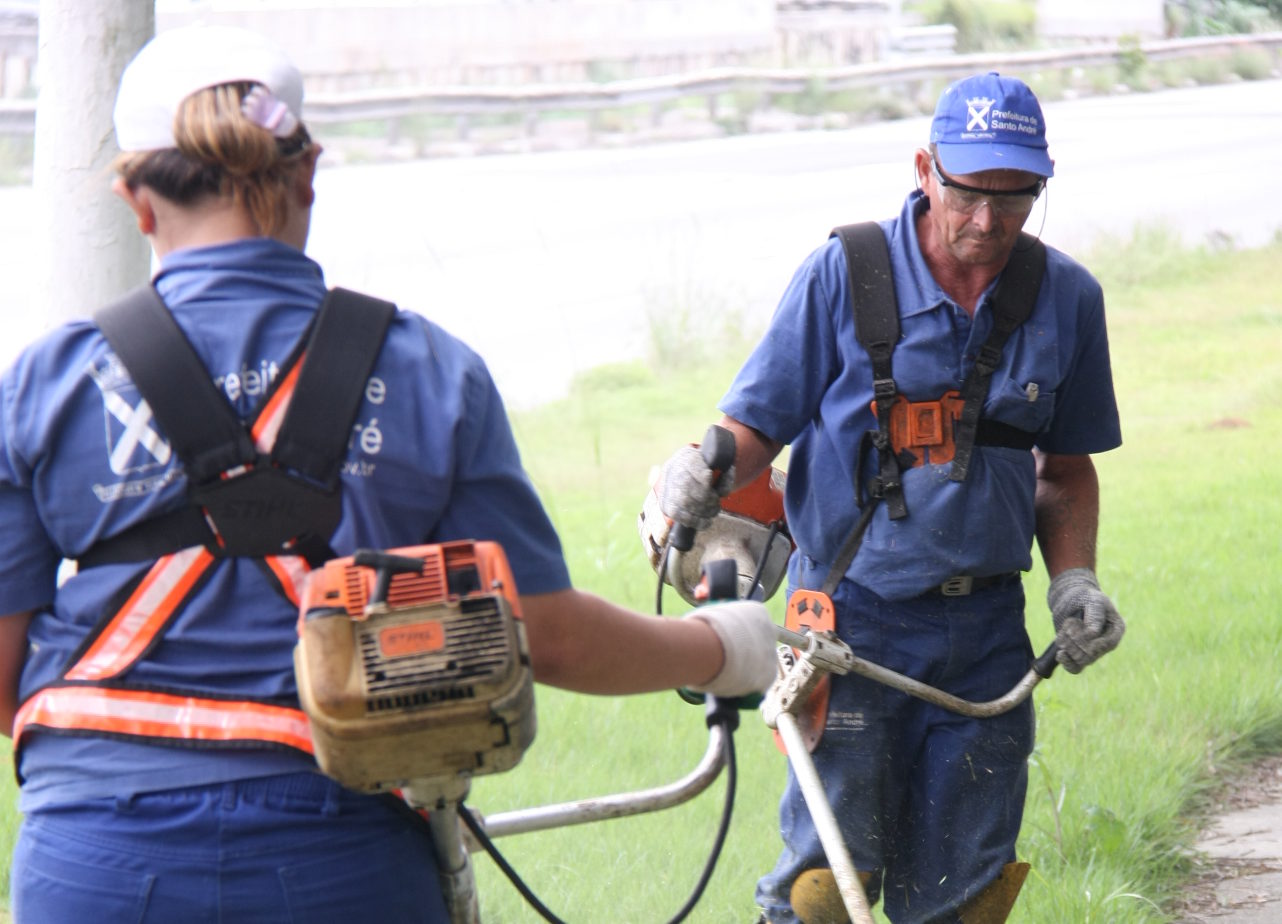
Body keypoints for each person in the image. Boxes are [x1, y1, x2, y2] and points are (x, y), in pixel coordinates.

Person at [0, 25, 778, 924]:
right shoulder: (427, 373)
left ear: (135, 201)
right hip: (341, 860)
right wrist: (725, 646)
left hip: (94, 857)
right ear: (308, 175)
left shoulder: (44, 385)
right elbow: (548, 635)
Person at [648, 72, 1126, 923]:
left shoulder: (1066, 299)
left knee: (966, 893)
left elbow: (1066, 468)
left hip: (986, 635)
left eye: (1016, 200)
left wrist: (1075, 582)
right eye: (969, 194)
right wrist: (703, 468)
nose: (989, 222)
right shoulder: (847, 273)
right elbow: (755, 424)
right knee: (827, 887)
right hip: (851, 628)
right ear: (924, 169)